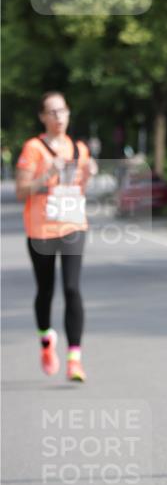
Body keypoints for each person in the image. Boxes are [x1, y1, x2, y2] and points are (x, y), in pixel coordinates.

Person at [15, 92, 96, 382]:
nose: (59, 117)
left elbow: (79, 187)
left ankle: (75, 359)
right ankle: (46, 341)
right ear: (42, 117)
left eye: (62, 111)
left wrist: (89, 174)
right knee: (46, 290)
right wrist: (47, 173)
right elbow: (21, 191)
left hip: (73, 225)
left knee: (72, 288)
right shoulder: (33, 148)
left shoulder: (79, 148)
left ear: (69, 113)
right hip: (41, 229)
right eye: (52, 112)